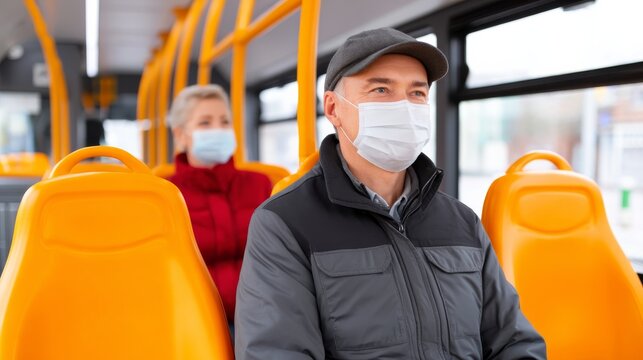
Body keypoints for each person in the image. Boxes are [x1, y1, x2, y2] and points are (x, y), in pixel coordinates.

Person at [235, 28, 546, 359]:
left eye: (416, 93)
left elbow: (513, 342)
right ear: (333, 108)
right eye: (381, 89)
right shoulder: (285, 223)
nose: (404, 106)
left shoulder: (461, 221)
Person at [167, 84, 272, 332]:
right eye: (205, 123)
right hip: (194, 319)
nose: (218, 129)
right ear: (181, 135)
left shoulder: (260, 184)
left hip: (262, 313)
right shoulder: (166, 194)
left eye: (225, 121)